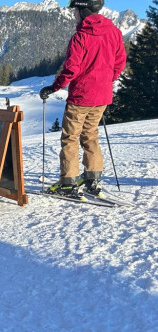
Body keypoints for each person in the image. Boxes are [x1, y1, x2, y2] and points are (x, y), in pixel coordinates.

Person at [39, 0, 126, 197]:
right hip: (102, 96)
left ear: (84, 11)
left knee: (70, 137)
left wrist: (53, 87)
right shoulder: (114, 32)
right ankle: (92, 179)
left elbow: (71, 69)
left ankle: (68, 183)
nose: (74, 14)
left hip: (81, 96)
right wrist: (106, 81)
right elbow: (120, 62)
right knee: (91, 135)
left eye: (76, 11)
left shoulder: (80, 37)